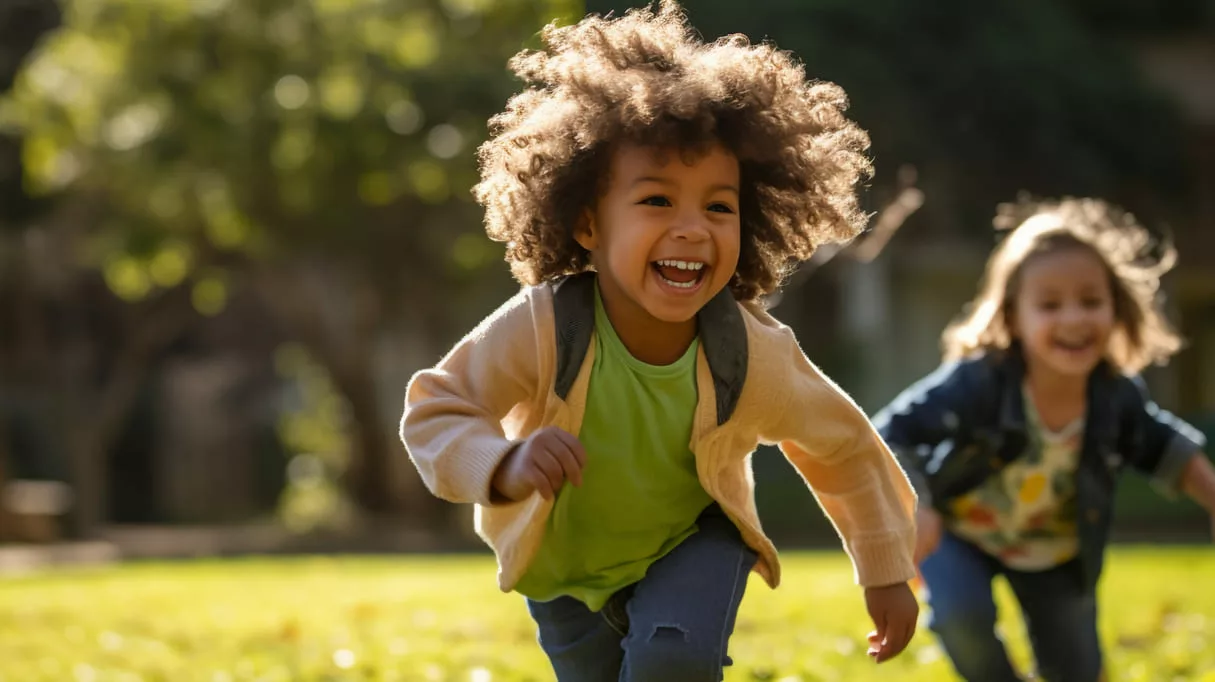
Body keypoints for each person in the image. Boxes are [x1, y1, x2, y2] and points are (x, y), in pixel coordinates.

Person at [399, 2, 921, 679]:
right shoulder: (544, 327)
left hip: (693, 539)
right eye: (655, 201)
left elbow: (842, 445)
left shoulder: (750, 351)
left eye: (718, 206)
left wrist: (882, 566)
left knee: (671, 659)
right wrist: (501, 462)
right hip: (565, 568)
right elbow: (436, 410)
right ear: (586, 223)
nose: (691, 229)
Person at [873, 197, 1215, 682]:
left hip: (1055, 552)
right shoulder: (979, 382)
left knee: (1075, 670)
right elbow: (889, 432)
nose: (1074, 318)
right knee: (962, 622)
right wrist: (915, 505)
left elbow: (1166, 449)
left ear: (1115, 310)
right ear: (1014, 316)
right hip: (960, 533)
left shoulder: (1114, 397)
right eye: (1050, 304)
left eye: (1090, 301)